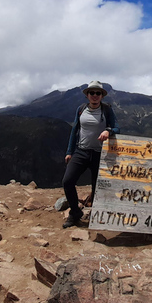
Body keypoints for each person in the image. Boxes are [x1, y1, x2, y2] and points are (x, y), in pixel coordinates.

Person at [61, 80, 119, 228]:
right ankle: (75, 213)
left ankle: (98, 216)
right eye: (91, 93)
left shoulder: (107, 110)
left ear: (102, 96)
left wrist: (109, 131)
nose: (94, 95)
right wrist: (69, 151)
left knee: (97, 188)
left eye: (98, 93)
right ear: (87, 95)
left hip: (100, 154)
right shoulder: (81, 109)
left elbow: (117, 128)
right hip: (81, 151)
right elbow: (74, 130)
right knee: (67, 181)